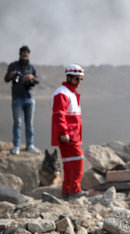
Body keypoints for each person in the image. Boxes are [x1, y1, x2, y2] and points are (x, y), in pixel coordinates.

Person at [51, 64, 87, 199]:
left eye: (81, 79)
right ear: (69, 77)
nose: (79, 82)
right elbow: (59, 114)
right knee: (77, 159)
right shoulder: (62, 93)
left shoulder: (70, 93)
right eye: (77, 79)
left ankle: (67, 191)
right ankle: (74, 189)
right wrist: (63, 133)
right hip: (68, 136)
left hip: (72, 135)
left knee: (69, 162)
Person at [4, 45, 40, 154]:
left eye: (26, 56)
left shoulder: (31, 67)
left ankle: (30, 145)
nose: (25, 58)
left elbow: (37, 80)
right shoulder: (13, 65)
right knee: (18, 122)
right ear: (20, 55)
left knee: (29, 123)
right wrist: (12, 75)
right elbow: (6, 79)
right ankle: (17, 145)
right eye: (23, 55)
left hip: (29, 98)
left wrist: (32, 78)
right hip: (17, 98)